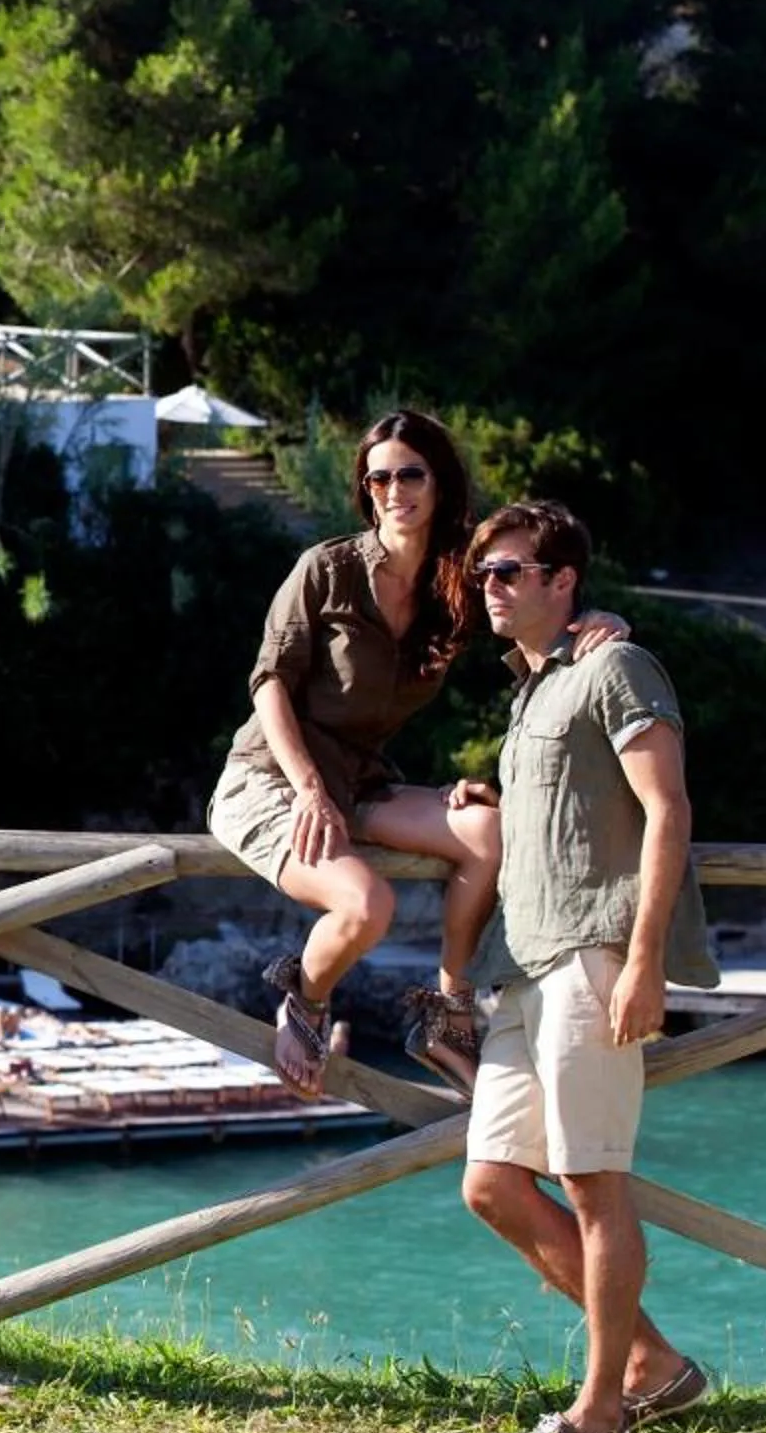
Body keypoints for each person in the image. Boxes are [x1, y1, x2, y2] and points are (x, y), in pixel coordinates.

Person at [205, 410, 621, 1096]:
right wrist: (308, 787)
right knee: (366, 906)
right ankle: (305, 1001)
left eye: (410, 474)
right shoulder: (326, 570)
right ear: (366, 490)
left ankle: (448, 1016)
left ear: (439, 481)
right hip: (272, 779)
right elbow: (268, 685)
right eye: (378, 478)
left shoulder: (458, 583)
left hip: (362, 781)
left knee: (488, 831)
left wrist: (596, 623)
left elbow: (535, 625)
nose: (393, 490)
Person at [458, 499, 718, 1433]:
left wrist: (644, 961)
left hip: (592, 956)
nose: (489, 588)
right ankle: (652, 1364)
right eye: (485, 573)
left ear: (563, 582)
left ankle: (599, 1411)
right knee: (491, 1183)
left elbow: (667, 809)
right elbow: (567, 807)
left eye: (509, 572)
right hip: (521, 963)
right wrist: (493, 797)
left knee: (592, 1185)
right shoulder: (532, 690)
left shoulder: (618, 665)